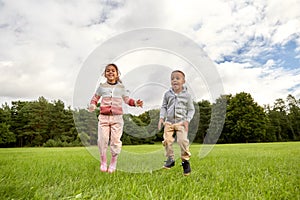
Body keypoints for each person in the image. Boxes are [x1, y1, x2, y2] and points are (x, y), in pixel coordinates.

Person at [89, 63, 143, 173]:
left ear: (117, 73)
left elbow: (128, 100)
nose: (110, 72)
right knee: (102, 139)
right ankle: (103, 161)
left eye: (113, 70)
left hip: (117, 118)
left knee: (115, 141)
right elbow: (95, 98)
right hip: (103, 117)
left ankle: (113, 161)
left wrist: (136, 103)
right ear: (105, 74)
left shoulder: (121, 88)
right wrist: (93, 105)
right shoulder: (102, 87)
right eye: (108, 70)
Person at [158, 70, 195, 176]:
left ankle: (185, 161)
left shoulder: (187, 96)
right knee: (167, 140)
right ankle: (170, 159)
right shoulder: (167, 94)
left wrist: (187, 120)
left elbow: (191, 109)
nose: (174, 80)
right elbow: (164, 106)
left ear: (183, 81)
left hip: (181, 123)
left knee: (183, 141)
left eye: (177, 78)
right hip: (168, 122)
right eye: (172, 78)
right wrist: (161, 118)